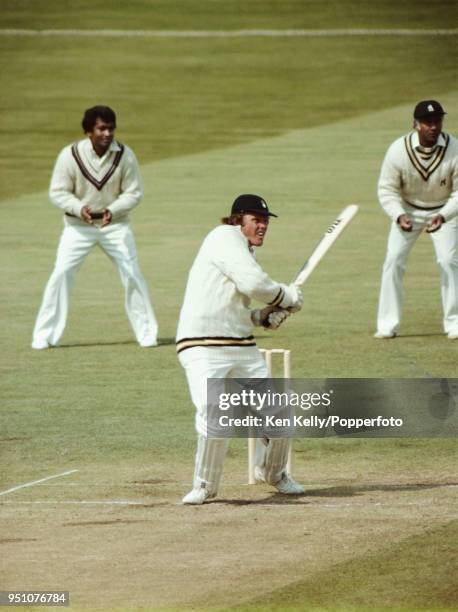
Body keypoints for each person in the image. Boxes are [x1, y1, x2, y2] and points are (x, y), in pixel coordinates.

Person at [176, 194, 304, 505]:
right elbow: (254, 285)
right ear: (237, 220)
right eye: (255, 219)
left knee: (280, 415)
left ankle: (274, 474)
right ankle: (205, 485)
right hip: (202, 345)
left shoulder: (242, 251)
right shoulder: (223, 237)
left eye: (265, 221)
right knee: (215, 414)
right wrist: (287, 297)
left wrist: (259, 317)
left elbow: (233, 302)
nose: (262, 226)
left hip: (240, 344)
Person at [31, 106, 158, 349]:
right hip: (78, 227)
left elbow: (134, 192)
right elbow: (57, 192)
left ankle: (147, 333)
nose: (107, 133)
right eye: (101, 128)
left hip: (115, 225)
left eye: (111, 128)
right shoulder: (70, 155)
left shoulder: (124, 155)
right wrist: (79, 209)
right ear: (89, 130)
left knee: (132, 273)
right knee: (61, 274)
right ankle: (44, 335)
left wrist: (114, 210)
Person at [375, 100, 458, 340]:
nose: (433, 127)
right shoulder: (398, 150)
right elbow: (387, 189)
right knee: (393, 260)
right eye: (427, 122)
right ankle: (387, 324)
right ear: (415, 124)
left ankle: (454, 323)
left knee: (448, 260)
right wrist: (398, 214)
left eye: (437, 121)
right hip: (408, 211)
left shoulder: (454, 148)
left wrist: (443, 215)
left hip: (444, 211)